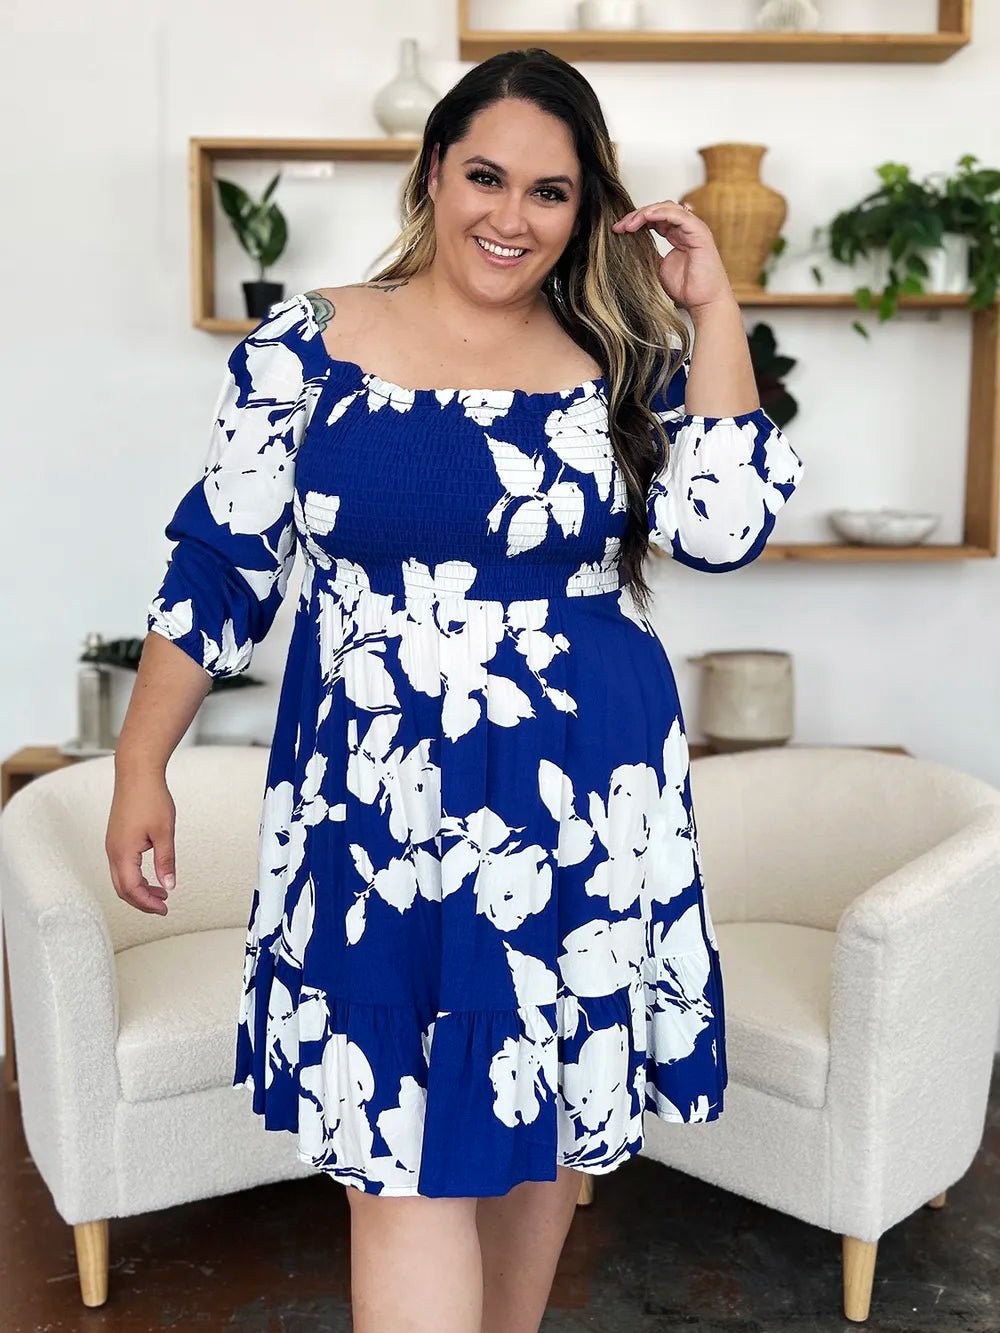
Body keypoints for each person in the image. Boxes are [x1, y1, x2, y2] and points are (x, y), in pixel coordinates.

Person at [106, 46, 804, 1333]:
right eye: (486, 176)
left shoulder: (620, 354)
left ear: (586, 209)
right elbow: (219, 565)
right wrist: (139, 762)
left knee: (536, 1137)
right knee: (401, 1160)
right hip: (374, 806)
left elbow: (720, 530)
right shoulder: (305, 345)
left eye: (550, 191)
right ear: (432, 172)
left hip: (580, 799)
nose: (510, 216)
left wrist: (712, 311)